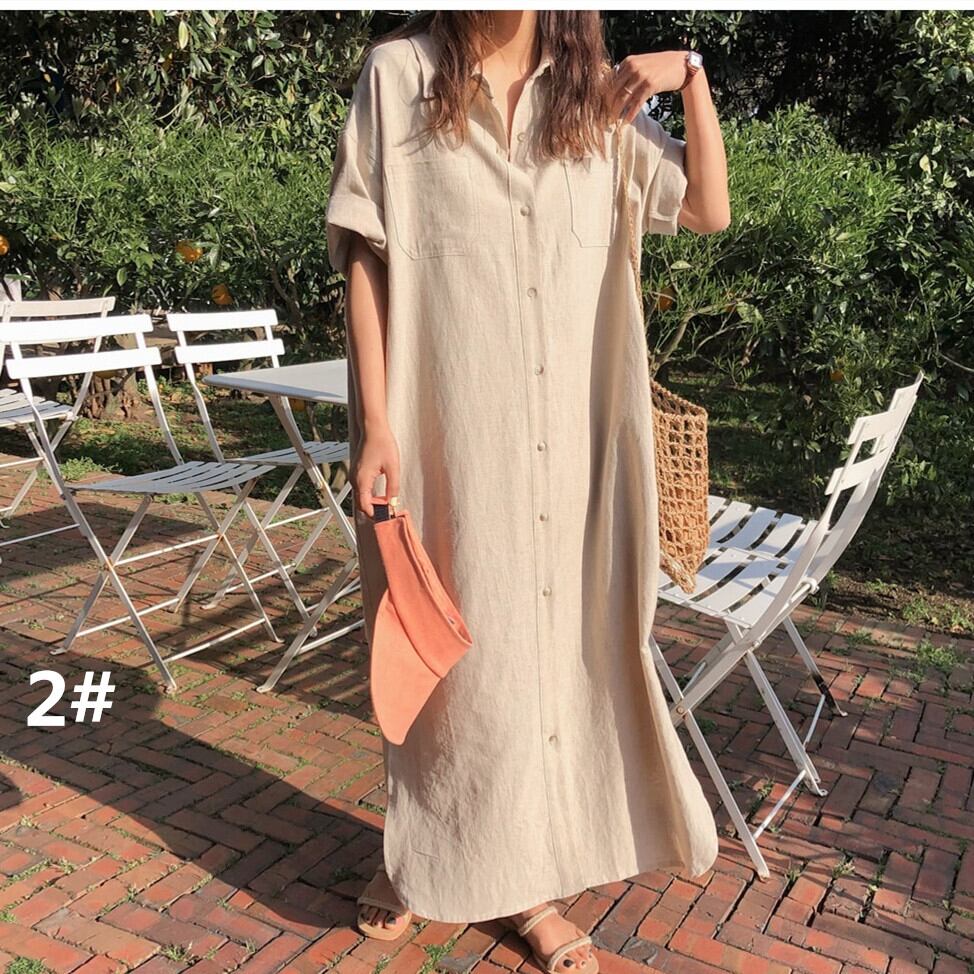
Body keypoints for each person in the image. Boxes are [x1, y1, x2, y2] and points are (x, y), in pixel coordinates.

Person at [325, 10, 730, 973]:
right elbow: (364, 254)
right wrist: (377, 421)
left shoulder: (599, 98)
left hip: (572, 455)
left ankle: (522, 886)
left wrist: (691, 77)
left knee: (541, 664)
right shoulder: (398, 76)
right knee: (449, 663)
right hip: (447, 439)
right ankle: (426, 856)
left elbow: (707, 209)